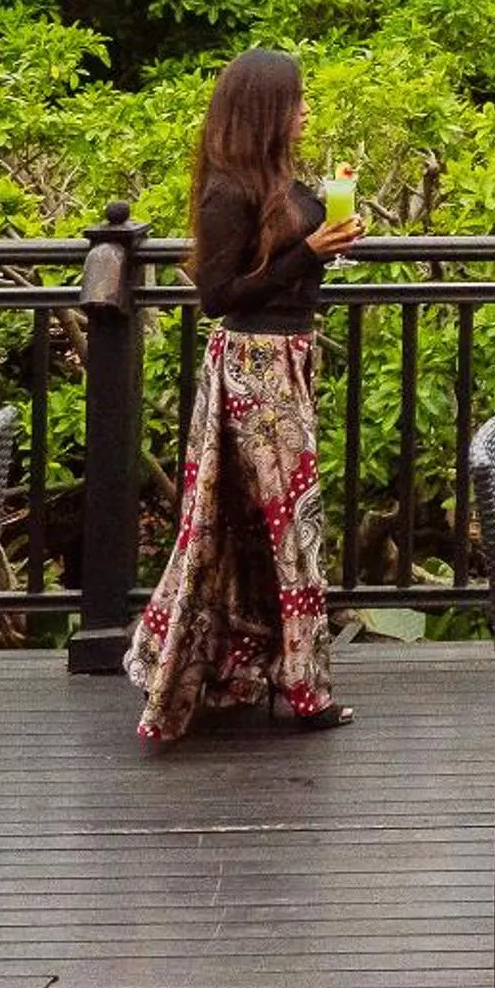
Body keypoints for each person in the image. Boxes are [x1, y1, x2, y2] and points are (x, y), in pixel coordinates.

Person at [127, 48, 365, 744]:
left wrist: (331, 242)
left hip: (291, 356)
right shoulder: (227, 191)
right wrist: (308, 253)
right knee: (290, 525)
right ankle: (306, 689)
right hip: (253, 366)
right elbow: (220, 296)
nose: (305, 113)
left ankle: (236, 666)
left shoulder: (278, 181)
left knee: (261, 526)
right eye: (296, 102)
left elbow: (294, 270)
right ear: (266, 109)